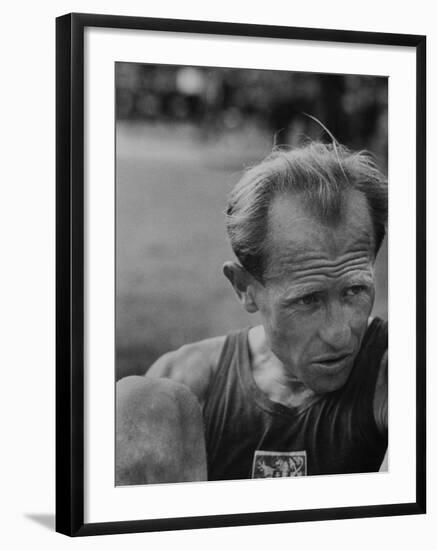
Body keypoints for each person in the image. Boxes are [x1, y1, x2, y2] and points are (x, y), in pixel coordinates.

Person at [116, 141, 388, 485]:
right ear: (244, 287)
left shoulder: (394, 374)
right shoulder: (188, 381)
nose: (339, 334)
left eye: (354, 291)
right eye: (308, 300)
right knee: (142, 401)